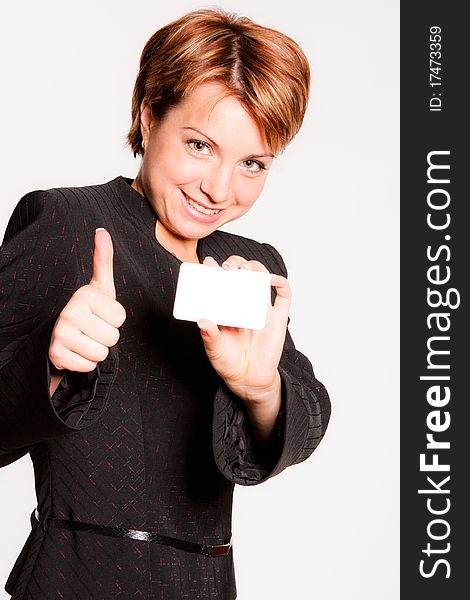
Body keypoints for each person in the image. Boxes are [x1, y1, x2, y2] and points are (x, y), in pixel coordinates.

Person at [0, 7, 331, 599]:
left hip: (205, 584)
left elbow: (304, 418)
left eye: (252, 164)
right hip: (77, 582)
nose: (220, 189)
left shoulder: (251, 267)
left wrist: (260, 389)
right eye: (201, 145)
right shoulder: (68, 224)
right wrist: (51, 366)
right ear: (149, 117)